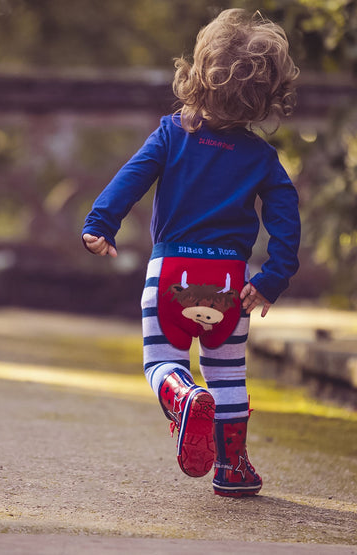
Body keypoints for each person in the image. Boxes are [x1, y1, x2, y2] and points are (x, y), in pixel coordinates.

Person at [82, 8, 300, 497]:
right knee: (228, 374)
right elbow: (286, 213)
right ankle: (233, 467)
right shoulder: (262, 158)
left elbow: (131, 177)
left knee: (162, 361)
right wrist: (274, 276)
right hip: (230, 281)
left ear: (198, 76)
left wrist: (100, 223)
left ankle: (181, 395)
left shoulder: (170, 133)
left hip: (172, 273)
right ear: (266, 98)